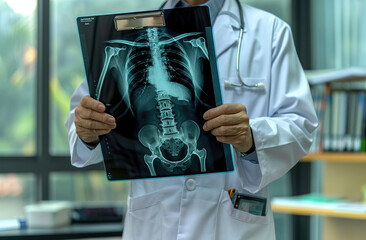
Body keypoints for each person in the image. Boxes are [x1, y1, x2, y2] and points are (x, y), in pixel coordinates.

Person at [65, 0, 318, 239]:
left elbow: (301, 126)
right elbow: (84, 119)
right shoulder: (124, 32)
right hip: (154, 224)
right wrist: (87, 132)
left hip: (232, 224)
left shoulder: (270, 32)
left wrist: (252, 136)